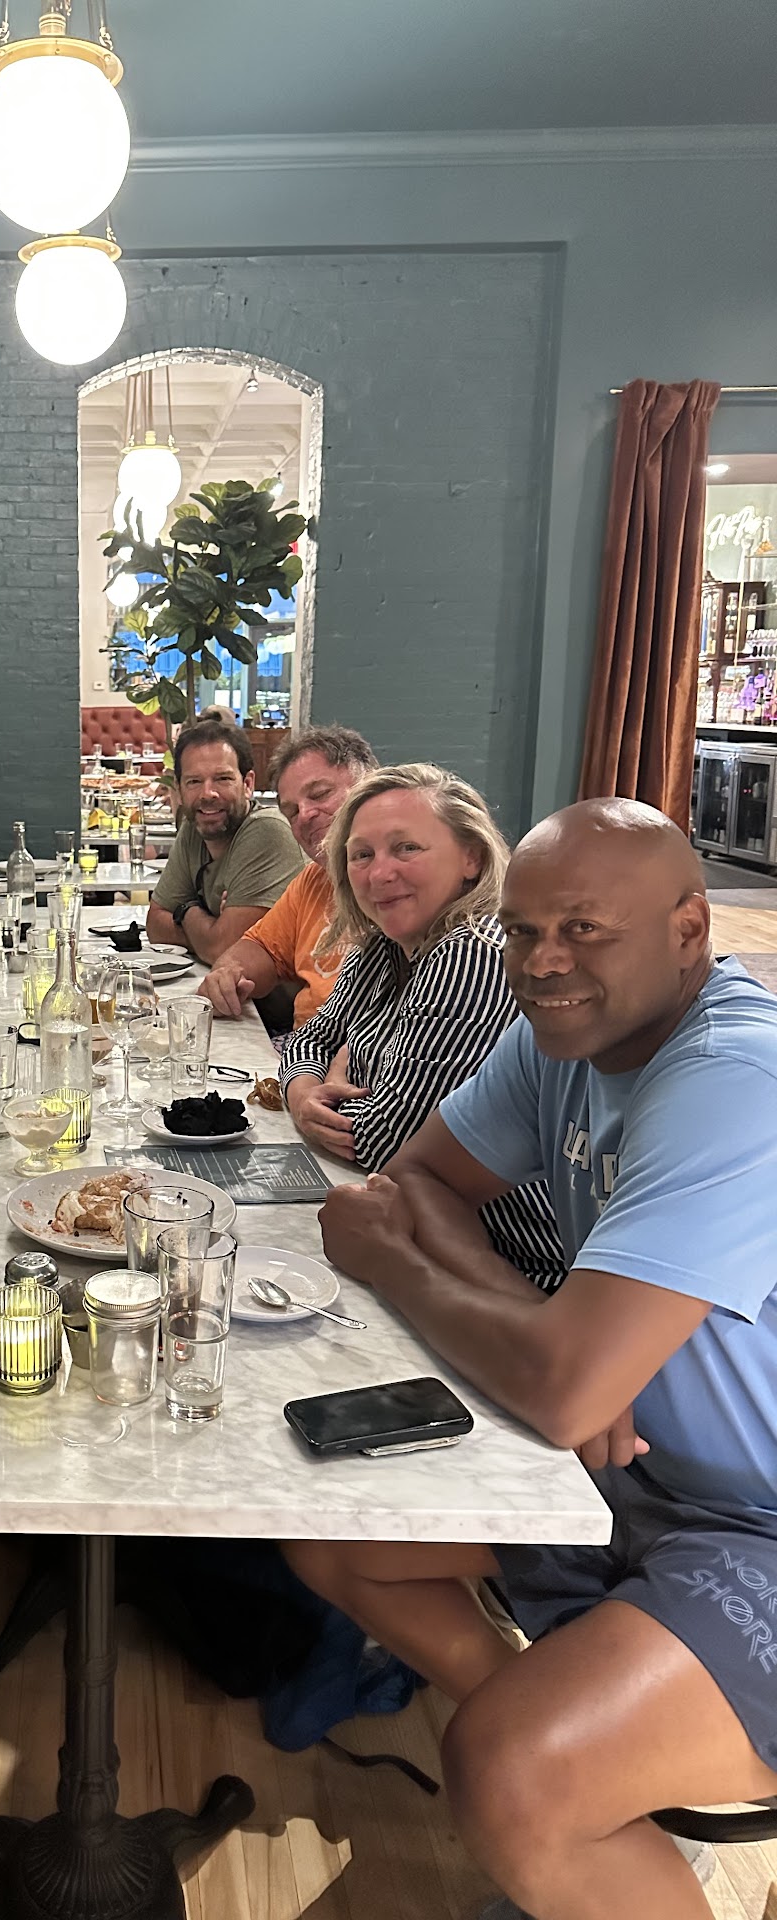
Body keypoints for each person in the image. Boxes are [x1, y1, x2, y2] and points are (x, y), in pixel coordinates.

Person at [282, 798, 777, 1920]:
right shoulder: (563, 1035)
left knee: (512, 1774)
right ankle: (613, 1807)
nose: (543, 963)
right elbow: (416, 1181)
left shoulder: (734, 1079)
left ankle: (570, 1800)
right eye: (522, 932)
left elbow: (539, 1368)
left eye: (584, 930)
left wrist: (403, 1270)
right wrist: (545, 1333)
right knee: (327, 1526)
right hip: (628, 1471)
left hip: (756, 1520)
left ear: (690, 930)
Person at [279, 763, 564, 1291]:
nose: (379, 873)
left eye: (406, 848)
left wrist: (333, 1081)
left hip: (512, 1271)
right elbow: (310, 1038)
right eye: (361, 855)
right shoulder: (384, 945)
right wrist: (303, 1090)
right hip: (422, 1238)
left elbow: (385, 1141)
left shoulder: (473, 954)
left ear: (471, 858)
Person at [200, 723, 378, 1031]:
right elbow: (261, 947)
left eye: (320, 794)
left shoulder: (408, 884)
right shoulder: (314, 880)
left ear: (371, 784)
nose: (305, 815)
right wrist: (227, 974)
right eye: (291, 811)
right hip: (301, 1049)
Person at [146, 712, 302, 964]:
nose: (208, 794)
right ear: (179, 788)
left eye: (223, 779)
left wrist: (185, 910)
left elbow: (224, 950)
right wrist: (211, 928)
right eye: (194, 781)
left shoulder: (267, 830)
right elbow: (155, 925)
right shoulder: (194, 825)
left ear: (248, 784)